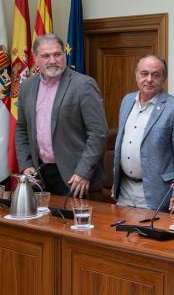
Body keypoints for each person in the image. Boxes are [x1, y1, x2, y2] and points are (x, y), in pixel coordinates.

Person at [16, 34, 108, 198]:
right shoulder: (27, 87)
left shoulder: (83, 85)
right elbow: (22, 129)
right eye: (46, 56)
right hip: (39, 175)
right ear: (36, 58)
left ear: (64, 55)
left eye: (57, 54)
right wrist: (26, 164)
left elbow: (98, 133)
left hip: (75, 177)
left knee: (72, 223)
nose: (53, 60)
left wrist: (84, 172)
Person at [112, 54, 174, 213]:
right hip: (125, 190)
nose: (149, 79)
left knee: (146, 237)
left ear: (163, 78)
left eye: (155, 75)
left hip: (156, 193)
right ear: (136, 75)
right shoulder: (127, 101)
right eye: (144, 73)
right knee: (120, 237)